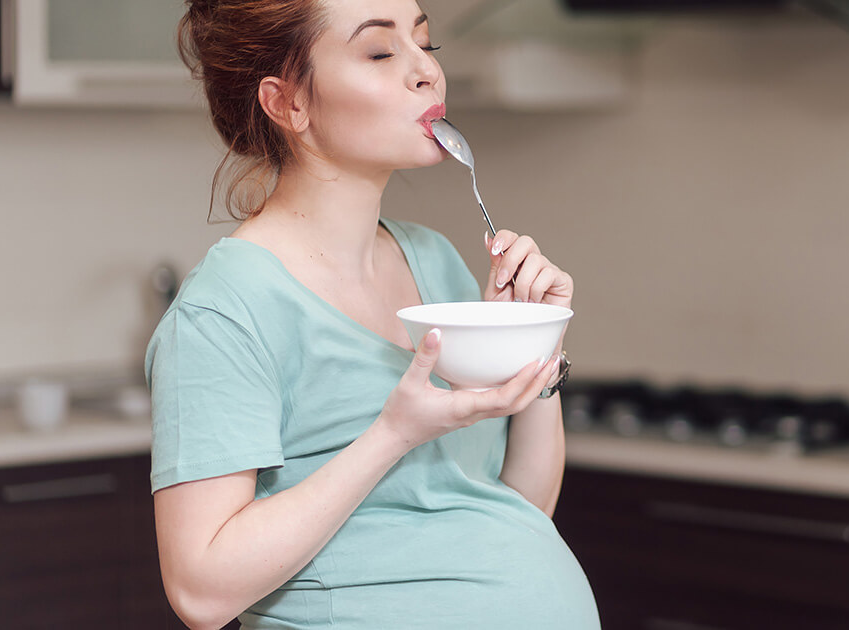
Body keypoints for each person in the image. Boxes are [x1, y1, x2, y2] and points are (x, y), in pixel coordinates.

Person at [146, 1, 599, 628]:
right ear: (288, 103)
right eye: (381, 52)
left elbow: (516, 506)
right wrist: (393, 434)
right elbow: (200, 592)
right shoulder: (223, 313)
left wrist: (533, 346)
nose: (426, 73)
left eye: (426, 45)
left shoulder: (434, 263)